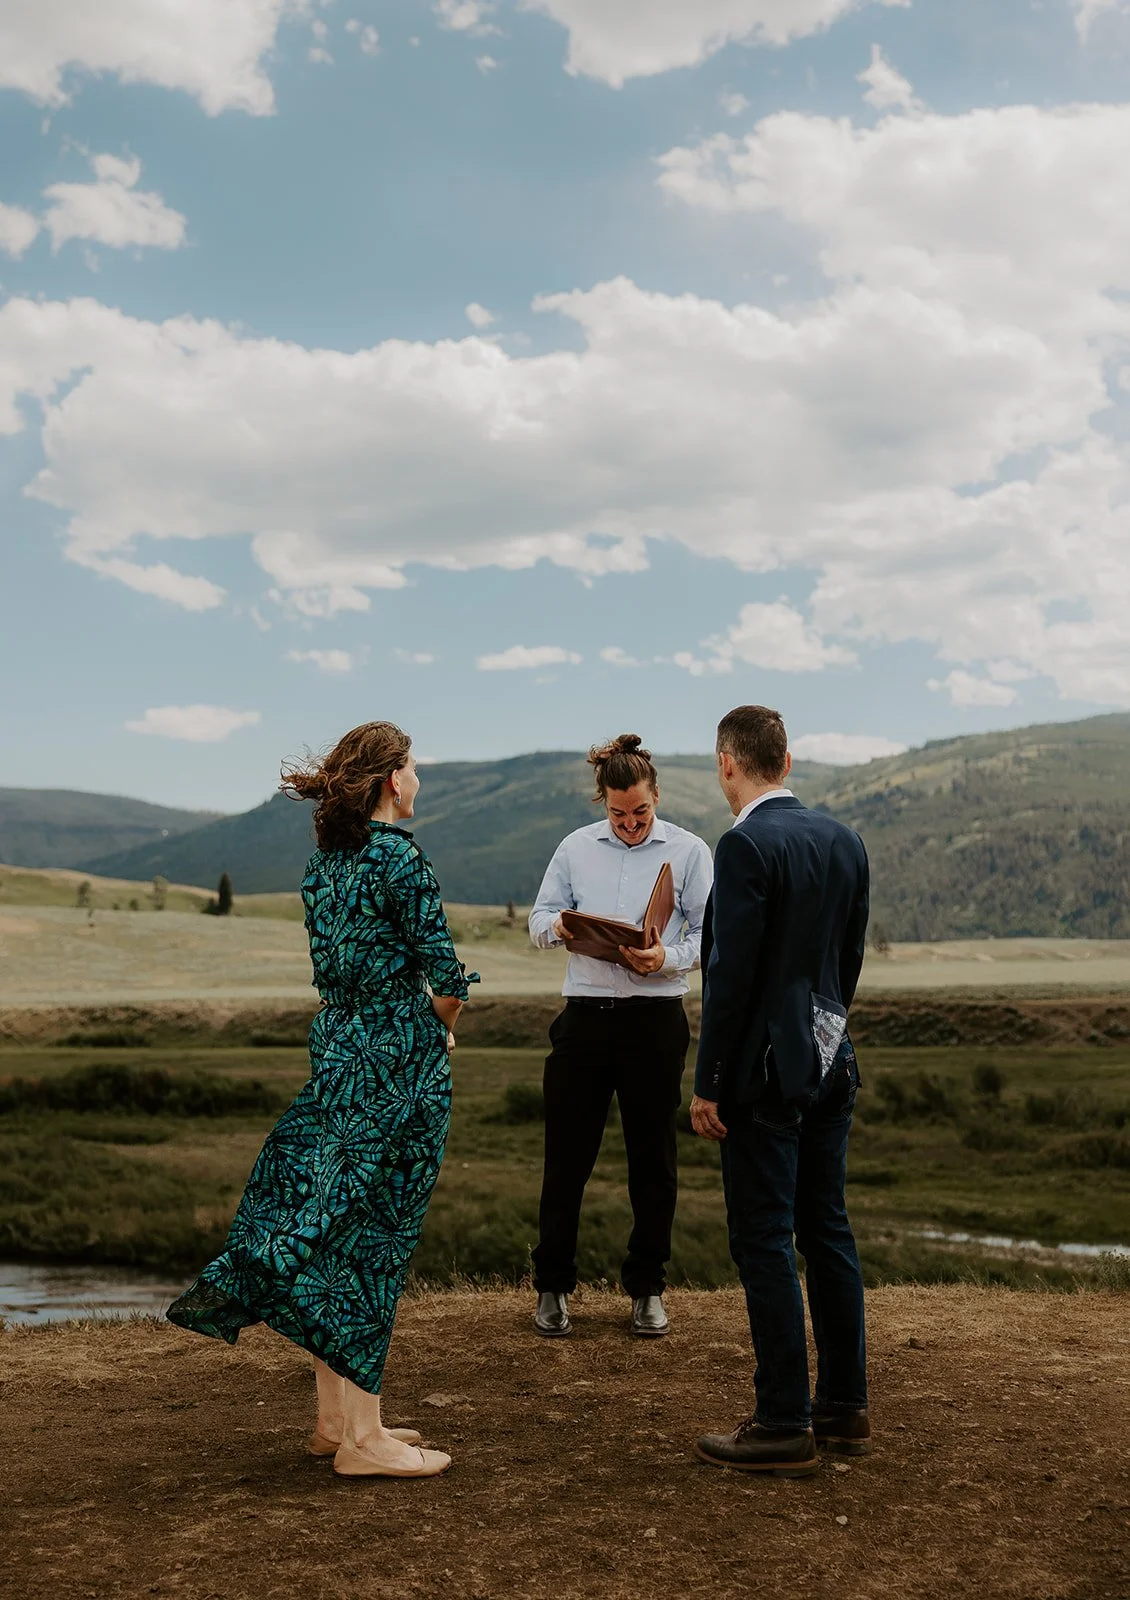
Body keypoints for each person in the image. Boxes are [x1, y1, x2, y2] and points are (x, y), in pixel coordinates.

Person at [168, 721, 476, 1479]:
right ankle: (364, 1443)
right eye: (413, 767)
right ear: (389, 779)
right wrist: (440, 1033)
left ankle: (336, 1420)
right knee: (373, 1239)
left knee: (335, 1223)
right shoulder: (401, 860)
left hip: (336, 1048)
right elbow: (446, 977)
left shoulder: (322, 867)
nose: (419, 780)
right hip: (398, 1061)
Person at [690, 705, 870, 1477]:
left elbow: (730, 978)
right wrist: (824, 1033)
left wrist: (709, 1083)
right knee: (825, 1227)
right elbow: (849, 957)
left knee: (762, 1239)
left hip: (764, 1072)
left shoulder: (744, 844)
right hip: (833, 1056)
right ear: (786, 761)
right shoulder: (844, 840)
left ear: (728, 764)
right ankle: (844, 1406)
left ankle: (782, 1421)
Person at [528, 734, 714, 1338]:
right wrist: (561, 924)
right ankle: (553, 1287)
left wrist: (663, 958)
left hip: (655, 1022)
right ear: (601, 801)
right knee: (567, 1159)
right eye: (617, 813)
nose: (631, 824)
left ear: (656, 796)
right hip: (583, 1017)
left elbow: (712, 941)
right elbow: (536, 922)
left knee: (652, 1161)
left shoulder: (689, 851)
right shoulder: (574, 847)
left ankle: (647, 1290)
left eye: (640, 812)